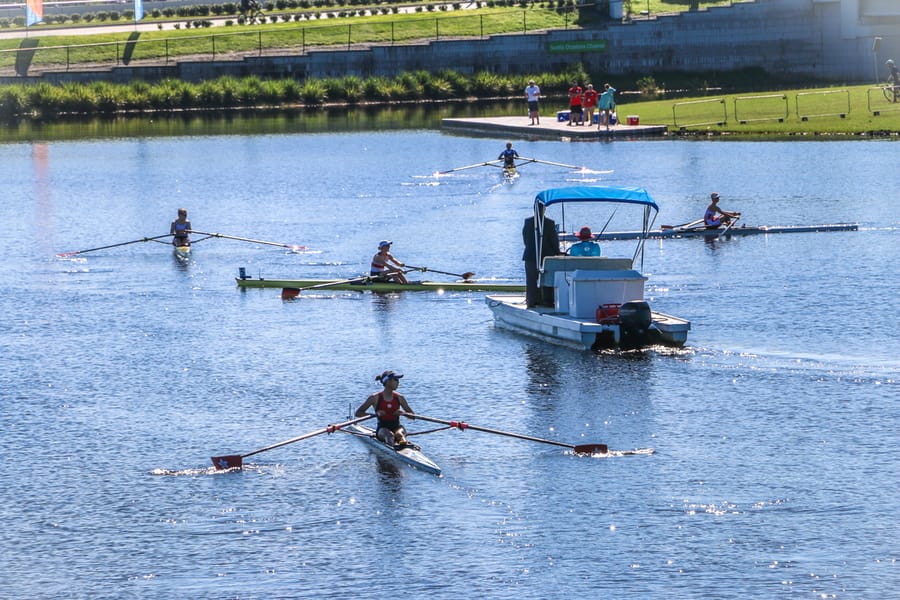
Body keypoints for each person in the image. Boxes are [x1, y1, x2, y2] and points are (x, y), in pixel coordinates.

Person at [355, 370, 415, 448]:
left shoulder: (400, 398)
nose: (398, 382)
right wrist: (376, 415)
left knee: (399, 435)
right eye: (396, 380)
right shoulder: (375, 398)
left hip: (397, 427)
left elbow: (413, 416)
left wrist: (403, 413)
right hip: (382, 429)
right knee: (389, 436)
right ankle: (393, 450)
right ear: (388, 382)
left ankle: (404, 445)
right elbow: (358, 413)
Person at [522, 204, 561, 308]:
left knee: (531, 280)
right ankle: (547, 302)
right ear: (544, 210)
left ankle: (532, 301)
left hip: (530, 255)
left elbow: (525, 239)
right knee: (547, 279)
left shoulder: (528, 222)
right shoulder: (549, 223)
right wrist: (558, 252)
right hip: (546, 256)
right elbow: (554, 240)